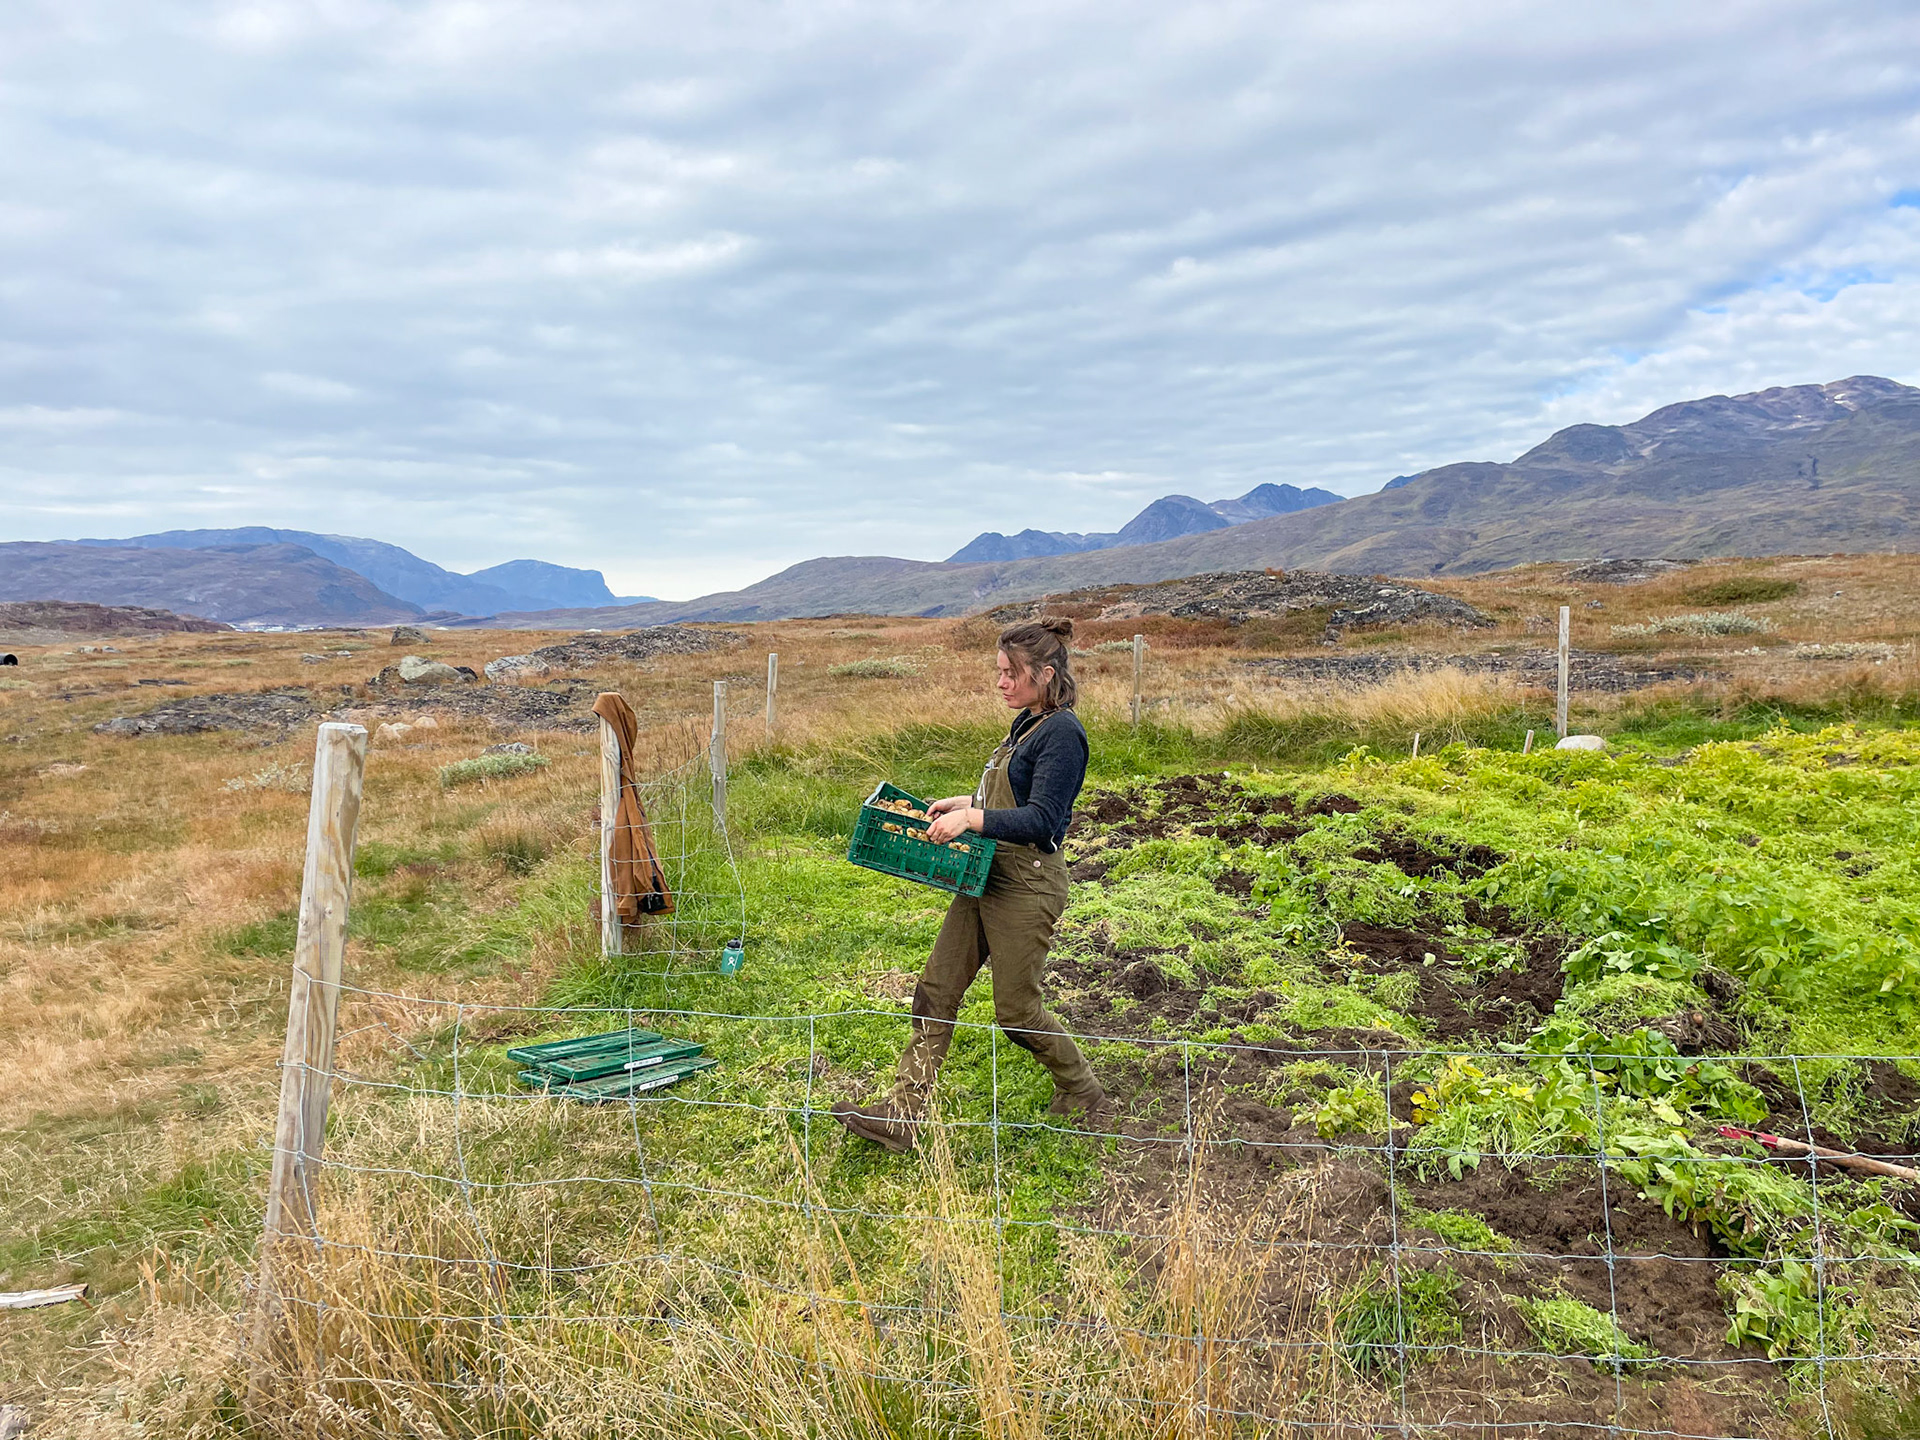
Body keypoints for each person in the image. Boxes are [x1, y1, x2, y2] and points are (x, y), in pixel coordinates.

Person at [833, 617, 1113, 1152]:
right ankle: (904, 1113)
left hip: (1027, 884)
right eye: (1000, 671)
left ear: (1046, 674)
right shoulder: (1028, 722)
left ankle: (1082, 1090)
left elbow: (1043, 820)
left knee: (1016, 1013)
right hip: (985, 872)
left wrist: (973, 821)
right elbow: (1011, 798)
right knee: (937, 988)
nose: (1001, 682)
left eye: (1012, 673)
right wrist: (967, 803)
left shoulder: (1063, 735)